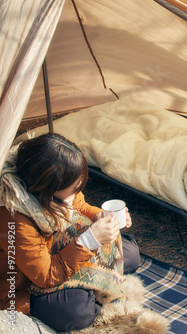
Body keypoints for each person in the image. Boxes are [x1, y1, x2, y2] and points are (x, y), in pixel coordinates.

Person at [0, 133, 141, 331]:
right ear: (48, 188)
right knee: (78, 312)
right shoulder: (14, 215)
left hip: (62, 249)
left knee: (131, 253)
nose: (77, 191)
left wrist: (102, 217)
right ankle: (80, 289)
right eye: (74, 187)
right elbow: (45, 275)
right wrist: (90, 240)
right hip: (27, 284)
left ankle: (84, 284)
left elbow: (80, 205)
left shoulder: (54, 184)